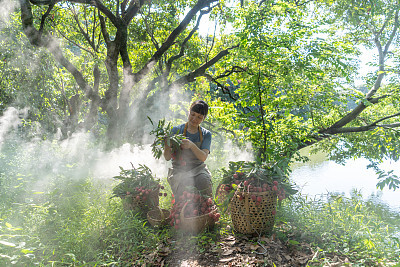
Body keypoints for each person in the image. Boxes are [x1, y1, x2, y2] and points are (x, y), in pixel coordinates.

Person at [164, 100, 213, 199]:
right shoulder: (175, 131)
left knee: (204, 181)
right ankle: (182, 211)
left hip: (198, 169)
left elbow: (203, 157)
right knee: (183, 190)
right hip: (179, 169)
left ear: (204, 118)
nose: (194, 119)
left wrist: (191, 145)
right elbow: (167, 157)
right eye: (193, 114)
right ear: (189, 112)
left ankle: (207, 211)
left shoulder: (206, 134)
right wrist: (166, 143)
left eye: (199, 117)